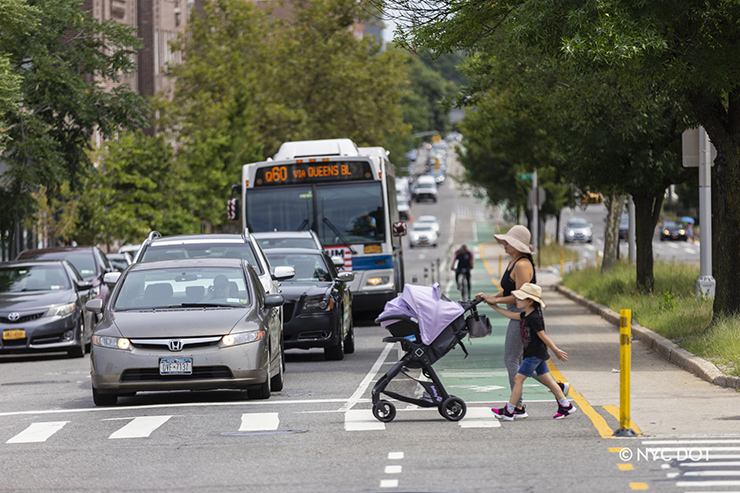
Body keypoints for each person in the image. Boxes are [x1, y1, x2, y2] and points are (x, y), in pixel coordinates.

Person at [476, 224, 568, 419]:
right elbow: (508, 291)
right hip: (517, 314)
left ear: (519, 246)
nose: (504, 245)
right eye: (505, 242)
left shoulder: (522, 264)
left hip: (523, 316)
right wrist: (490, 297)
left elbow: (521, 295)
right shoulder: (512, 261)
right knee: (527, 363)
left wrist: (496, 300)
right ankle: (559, 391)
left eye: (508, 242)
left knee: (512, 359)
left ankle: (517, 407)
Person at [485, 283, 577, 420]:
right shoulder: (526, 315)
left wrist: (556, 350)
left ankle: (510, 410)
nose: (517, 300)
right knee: (549, 380)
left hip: (534, 354)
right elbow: (510, 314)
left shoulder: (535, 318)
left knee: (517, 379)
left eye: (520, 298)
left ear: (530, 301)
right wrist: (495, 306)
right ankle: (566, 405)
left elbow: (543, 336)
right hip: (535, 353)